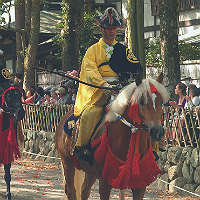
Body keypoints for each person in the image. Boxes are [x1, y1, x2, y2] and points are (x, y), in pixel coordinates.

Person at [71, 7, 142, 160]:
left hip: (121, 88)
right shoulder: (92, 51)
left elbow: (135, 66)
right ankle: (81, 147)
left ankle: (151, 147)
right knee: (89, 114)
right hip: (100, 90)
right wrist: (105, 85)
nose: (111, 31)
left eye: (114, 28)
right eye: (108, 28)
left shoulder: (123, 49)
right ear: (101, 29)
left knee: (143, 110)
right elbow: (90, 71)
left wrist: (134, 77)